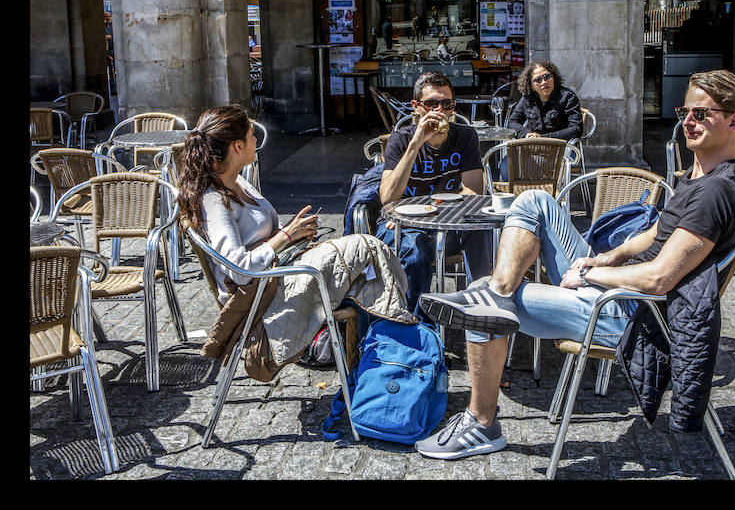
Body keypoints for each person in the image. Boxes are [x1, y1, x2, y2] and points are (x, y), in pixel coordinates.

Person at [414, 69, 735, 460]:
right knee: (533, 202)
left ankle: (481, 423)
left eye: (701, 114)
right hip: (615, 287)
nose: (689, 123)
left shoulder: (716, 192)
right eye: (685, 112)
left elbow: (659, 279)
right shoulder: (700, 175)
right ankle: (498, 294)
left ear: (734, 120)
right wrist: (611, 254)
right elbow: (659, 229)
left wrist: (593, 273)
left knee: (478, 305)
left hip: (629, 313)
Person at [177, 105, 412, 367]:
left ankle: (381, 346)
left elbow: (260, 240)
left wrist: (294, 235)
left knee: (366, 264)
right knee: (366, 248)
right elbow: (239, 270)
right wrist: (287, 235)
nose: (256, 140)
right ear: (238, 146)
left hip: (282, 272)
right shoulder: (214, 200)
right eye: (252, 135)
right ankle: (398, 337)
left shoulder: (237, 182)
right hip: (264, 294)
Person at [376, 71, 493, 314]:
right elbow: (388, 199)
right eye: (431, 104)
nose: (439, 110)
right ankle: (416, 323)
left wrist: (434, 212)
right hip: (401, 226)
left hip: (446, 224)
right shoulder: (400, 140)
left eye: (446, 104)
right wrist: (416, 143)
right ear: (416, 107)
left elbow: (473, 192)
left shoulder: (465, 135)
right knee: (417, 251)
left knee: (481, 229)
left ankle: (481, 308)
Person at [500, 60, 583, 180]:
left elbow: (576, 129)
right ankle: (520, 197)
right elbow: (512, 122)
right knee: (506, 165)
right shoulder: (527, 98)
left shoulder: (567, 97)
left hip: (562, 148)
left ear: (553, 77)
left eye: (547, 77)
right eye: (538, 80)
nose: (544, 82)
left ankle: (541, 196)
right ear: (531, 85)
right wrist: (527, 134)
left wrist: (545, 138)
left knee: (529, 167)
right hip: (533, 147)